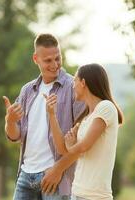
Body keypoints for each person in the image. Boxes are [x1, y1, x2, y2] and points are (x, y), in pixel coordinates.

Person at [3, 33, 84, 200]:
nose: (55, 65)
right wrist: (9, 121)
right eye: (48, 60)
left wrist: (58, 169)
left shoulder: (72, 87)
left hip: (55, 177)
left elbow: (82, 138)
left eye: (57, 58)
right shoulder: (27, 90)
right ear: (36, 59)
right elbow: (15, 135)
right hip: (26, 175)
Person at [43, 63, 124, 200]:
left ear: (83, 82)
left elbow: (84, 146)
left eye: (75, 80)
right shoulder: (87, 117)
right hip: (77, 193)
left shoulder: (106, 107)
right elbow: (63, 149)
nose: (73, 85)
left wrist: (71, 146)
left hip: (95, 196)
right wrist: (52, 114)